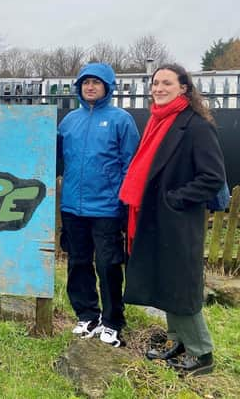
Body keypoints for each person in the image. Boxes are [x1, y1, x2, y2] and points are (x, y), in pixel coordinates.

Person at [120, 64, 225, 376]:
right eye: (155, 83)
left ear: (184, 88)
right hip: (155, 217)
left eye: (167, 83)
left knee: (180, 285)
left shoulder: (195, 126)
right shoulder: (158, 120)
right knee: (165, 280)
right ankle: (179, 342)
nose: (159, 88)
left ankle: (201, 353)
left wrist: (175, 199)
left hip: (177, 220)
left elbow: (213, 177)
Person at [58, 62, 140, 347]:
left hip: (106, 207)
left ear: (108, 86)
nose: (90, 86)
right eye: (85, 82)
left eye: (96, 82)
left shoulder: (121, 120)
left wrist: (123, 200)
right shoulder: (69, 121)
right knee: (78, 263)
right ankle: (87, 314)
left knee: (108, 265)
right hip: (72, 207)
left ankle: (112, 320)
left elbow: (132, 163)